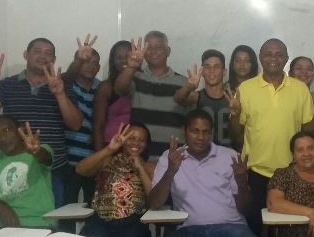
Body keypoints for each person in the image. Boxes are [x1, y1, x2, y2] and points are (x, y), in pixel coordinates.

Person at [150, 109, 269, 237]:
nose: (200, 137)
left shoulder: (229, 156)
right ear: (185, 132)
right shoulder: (170, 157)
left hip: (231, 229)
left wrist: (243, 183)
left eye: (206, 132)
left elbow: (246, 209)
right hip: (188, 231)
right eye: (195, 131)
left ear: (211, 133)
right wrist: (171, 171)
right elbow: (154, 203)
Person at [0, 39, 82, 206]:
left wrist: (59, 94)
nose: (43, 56)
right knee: (23, 221)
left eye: (48, 53)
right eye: (37, 51)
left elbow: (75, 124)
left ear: (54, 60)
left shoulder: (62, 86)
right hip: (17, 166)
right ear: (26, 55)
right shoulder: (8, 85)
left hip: (55, 168)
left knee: (61, 225)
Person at [227, 38, 314, 236]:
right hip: (256, 172)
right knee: (256, 229)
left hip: (291, 172)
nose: (273, 58)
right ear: (260, 57)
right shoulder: (246, 88)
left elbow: (307, 132)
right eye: (268, 54)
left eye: (279, 54)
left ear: (286, 58)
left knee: (289, 231)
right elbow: (235, 136)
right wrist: (234, 114)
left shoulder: (300, 89)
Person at [76, 122, 154, 237]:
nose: (136, 143)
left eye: (141, 140)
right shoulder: (107, 160)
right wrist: (109, 149)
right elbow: (80, 170)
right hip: (101, 220)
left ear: (146, 145)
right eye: (131, 138)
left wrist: (139, 166)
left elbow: (154, 198)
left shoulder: (149, 166)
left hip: (132, 222)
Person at [114, 31, 187, 159]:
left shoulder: (184, 82)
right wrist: (130, 67)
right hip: (139, 154)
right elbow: (119, 90)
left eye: (158, 47)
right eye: (149, 47)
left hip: (172, 157)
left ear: (168, 51)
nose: (153, 51)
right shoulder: (135, 77)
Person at [59, 35, 102, 232]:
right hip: (69, 161)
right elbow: (65, 77)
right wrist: (78, 59)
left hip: (93, 161)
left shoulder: (101, 88)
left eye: (95, 63)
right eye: (86, 62)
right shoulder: (67, 85)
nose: (90, 66)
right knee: (67, 210)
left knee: (93, 210)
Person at [174, 49, 231, 147]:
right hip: (202, 155)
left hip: (228, 155)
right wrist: (188, 87)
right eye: (207, 67)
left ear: (224, 71)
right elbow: (178, 98)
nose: (211, 71)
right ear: (202, 72)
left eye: (216, 67)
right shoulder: (196, 96)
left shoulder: (232, 98)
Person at [92, 40, 131, 151]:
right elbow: (98, 126)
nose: (124, 60)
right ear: (113, 61)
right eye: (119, 57)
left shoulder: (143, 83)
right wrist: (100, 156)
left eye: (127, 56)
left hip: (137, 146)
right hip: (111, 145)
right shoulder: (106, 87)